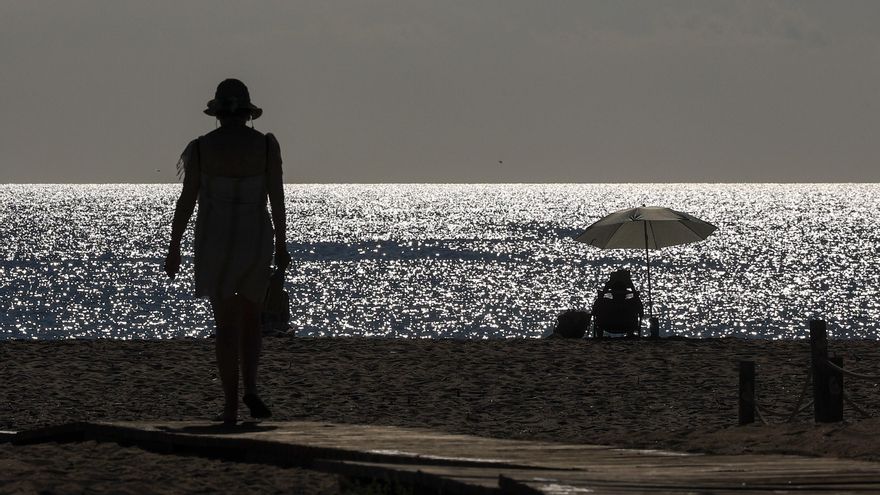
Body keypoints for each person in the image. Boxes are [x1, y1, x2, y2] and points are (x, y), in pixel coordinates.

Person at [164, 79, 290, 425]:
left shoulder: (202, 148)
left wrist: (174, 246)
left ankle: (231, 405)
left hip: (215, 241)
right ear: (248, 113)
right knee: (252, 319)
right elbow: (276, 198)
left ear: (217, 114)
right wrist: (282, 242)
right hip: (255, 238)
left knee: (225, 325)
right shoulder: (265, 146)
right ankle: (250, 386)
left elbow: (186, 201)